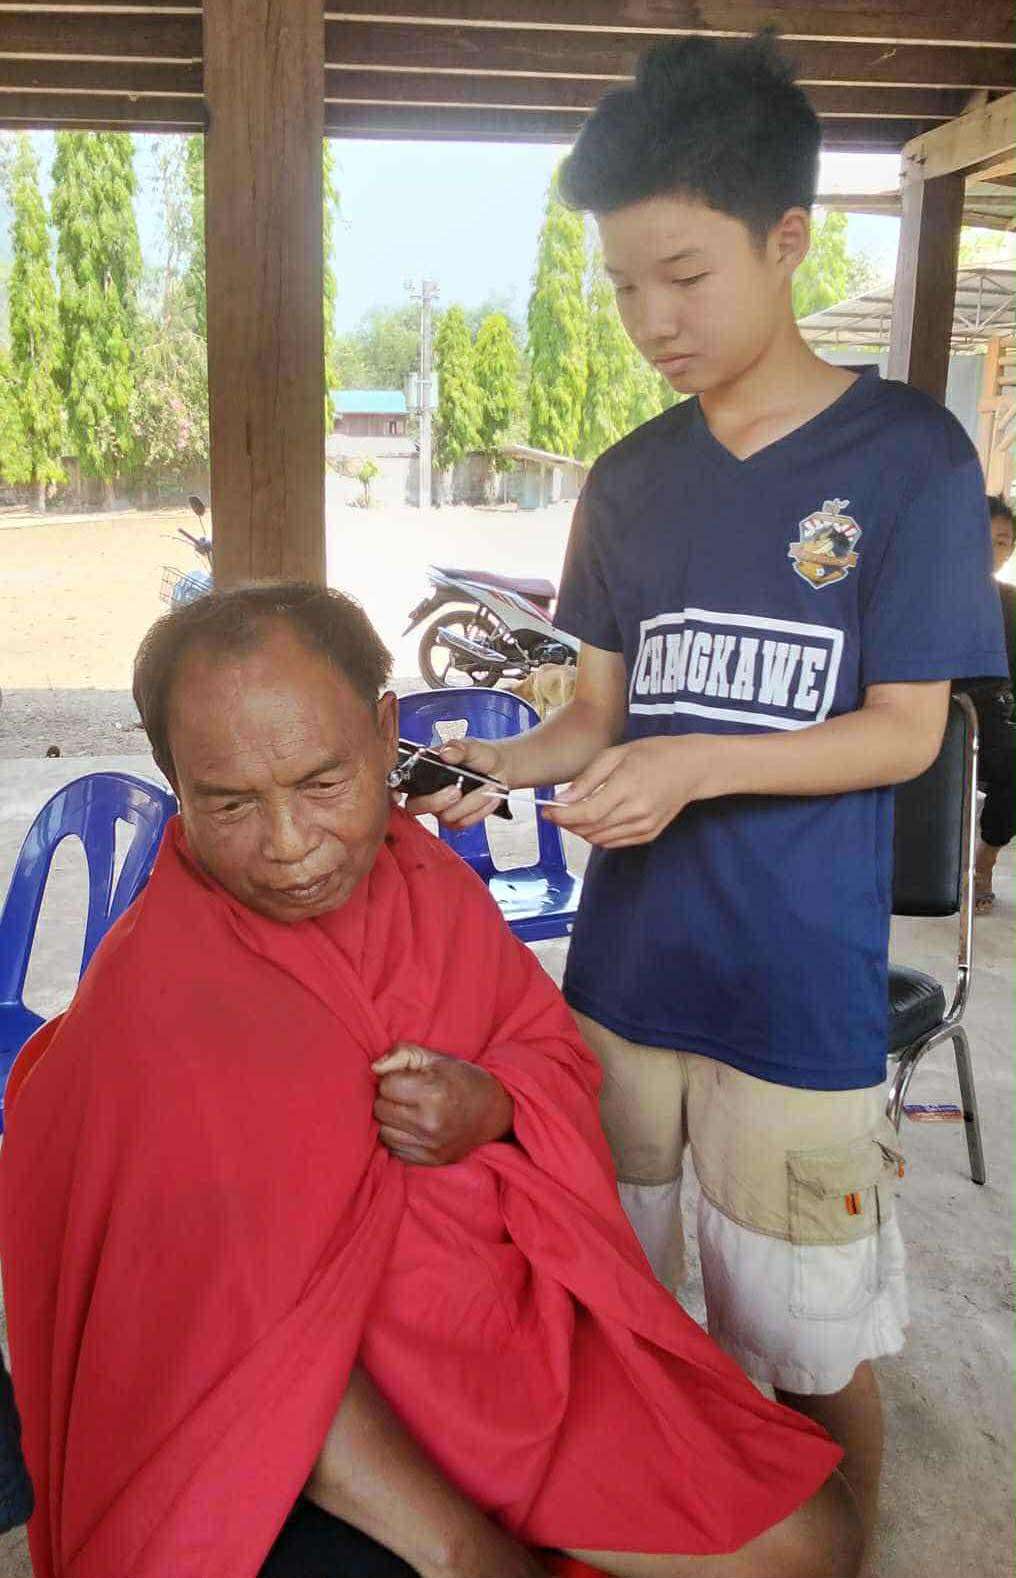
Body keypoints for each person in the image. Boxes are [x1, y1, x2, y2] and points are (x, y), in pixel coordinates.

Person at [408, 34, 1009, 1561]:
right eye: (620, 285)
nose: (648, 321)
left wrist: (696, 766)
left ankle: (840, 1545)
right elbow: (594, 718)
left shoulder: (909, 460)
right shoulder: (628, 477)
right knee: (607, 1301)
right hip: (622, 987)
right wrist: (476, 762)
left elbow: (901, 733)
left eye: (683, 274)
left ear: (789, 238)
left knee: (806, 1345)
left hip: (794, 998)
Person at [0, 585, 860, 1578]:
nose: (287, 847)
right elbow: (232, 1349)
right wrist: (461, 1549)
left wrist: (490, 1104)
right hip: (331, 1417)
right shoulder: (161, 1002)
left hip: (497, 1339)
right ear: (173, 779)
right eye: (230, 802)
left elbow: (543, 1052)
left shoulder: (421, 878)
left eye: (322, 785)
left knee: (813, 1537)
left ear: (383, 731)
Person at [969, 495, 1015, 910]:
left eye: (1003, 542)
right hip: (926, 709)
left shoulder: (1012, 603)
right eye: (984, 538)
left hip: (994, 713)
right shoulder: (923, 590)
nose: (993, 550)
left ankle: (987, 856)